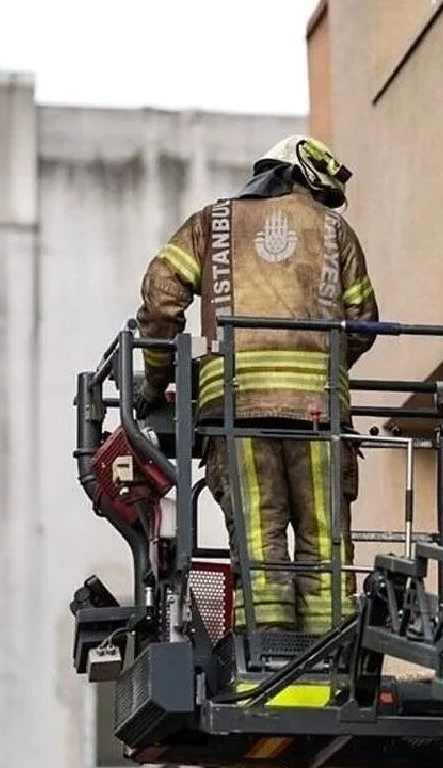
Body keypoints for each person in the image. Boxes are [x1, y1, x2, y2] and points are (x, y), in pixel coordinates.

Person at [134, 134, 379, 637]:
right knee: (326, 544)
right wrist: (324, 367)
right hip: (320, 417)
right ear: (304, 174)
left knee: (259, 539)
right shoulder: (336, 232)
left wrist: (157, 382)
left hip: (236, 412)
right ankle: (331, 658)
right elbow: (365, 323)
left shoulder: (211, 223)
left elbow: (161, 301)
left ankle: (266, 658)